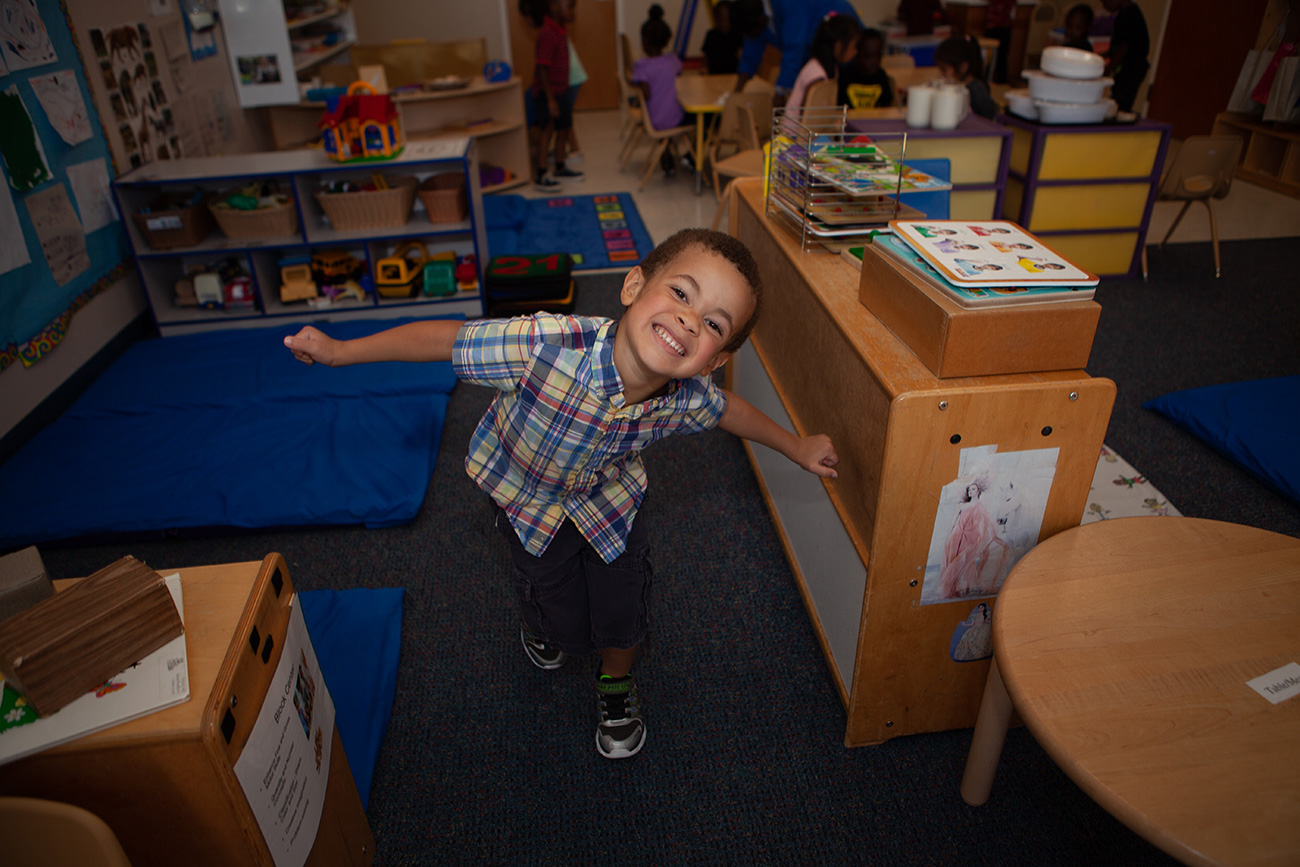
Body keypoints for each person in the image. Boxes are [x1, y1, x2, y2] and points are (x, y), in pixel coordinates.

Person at [283, 229, 839, 761]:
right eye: (679, 292)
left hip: (610, 505)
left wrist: (795, 447)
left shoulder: (687, 397)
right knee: (557, 613)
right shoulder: (542, 343)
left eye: (713, 323)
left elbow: (729, 412)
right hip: (527, 503)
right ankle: (542, 626)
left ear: (714, 361)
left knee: (624, 610)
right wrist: (340, 351)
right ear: (632, 287)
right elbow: (443, 337)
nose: (688, 321)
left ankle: (616, 684)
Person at [730, 0, 860, 104]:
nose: (752, 37)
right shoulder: (753, 15)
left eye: (752, 33)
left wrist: (781, 92)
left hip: (845, 39)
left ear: (761, 19)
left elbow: (794, 48)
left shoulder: (789, 4)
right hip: (822, 60)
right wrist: (736, 93)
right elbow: (751, 51)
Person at [521, 0, 583, 191]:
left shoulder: (561, 29)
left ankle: (559, 166)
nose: (573, 11)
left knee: (564, 127)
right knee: (547, 129)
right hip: (546, 93)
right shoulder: (547, 33)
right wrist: (549, 99)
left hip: (561, 90)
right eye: (570, 6)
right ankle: (540, 173)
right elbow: (542, 68)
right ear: (555, 7)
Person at [632, 5, 686, 173]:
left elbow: (646, 93)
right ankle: (688, 156)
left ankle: (666, 151)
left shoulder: (641, 66)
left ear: (645, 42)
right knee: (696, 117)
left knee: (662, 110)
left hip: (655, 120)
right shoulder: (673, 61)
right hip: (676, 118)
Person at [939, 478, 1010, 599]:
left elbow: (988, 521)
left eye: (973, 489)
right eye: (969, 490)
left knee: (963, 561)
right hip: (956, 536)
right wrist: (950, 537)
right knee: (952, 560)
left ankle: (962, 588)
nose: (970, 492)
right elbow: (953, 522)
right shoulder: (963, 505)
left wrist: (997, 525)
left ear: (978, 491)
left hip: (970, 536)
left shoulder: (980, 506)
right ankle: (952, 590)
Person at [786, 13, 860, 112]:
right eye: (854, 46)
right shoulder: (817, 74)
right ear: (838, 45)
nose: (855, 51)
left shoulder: (830, 67)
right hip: (798, 127)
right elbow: (808, 117)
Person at [1101, 0, 1149, 114]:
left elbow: (1124, 46)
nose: (1104, 6)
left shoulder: (1127, 16)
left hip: (1131, 69)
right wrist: (1106, 54)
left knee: (1122, 101)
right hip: (1130, 67)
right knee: (1119, 98)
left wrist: (1109, 68)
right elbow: (1120, 45)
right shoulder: (1128, 13)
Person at [935, 35, 998, 119]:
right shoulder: (961, 88)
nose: (941, 74)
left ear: (963, 67)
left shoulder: (976, 89)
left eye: (944, 69)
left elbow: (991, 117)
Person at [838, 27, 894, 109]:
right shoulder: (845, 77)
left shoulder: (881, 76)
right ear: (856, 56)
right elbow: (839, 108)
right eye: (868, 56)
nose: (874, 61)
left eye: (878, 56)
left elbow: (886, 106)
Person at [702, 0, 743, 75]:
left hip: (733, 76)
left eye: (726, 19)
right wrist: (704, 70)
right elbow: (706, 59)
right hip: (713, 77)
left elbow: (742, 59)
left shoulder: (739, 35)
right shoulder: (711, 35)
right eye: (720, 19)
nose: (723, 23)